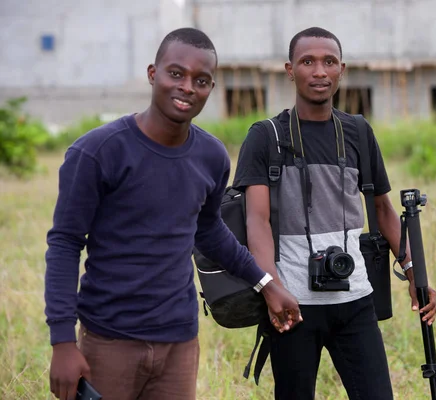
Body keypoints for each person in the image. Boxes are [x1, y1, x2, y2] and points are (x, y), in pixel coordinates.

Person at [44, 27, 302, 400]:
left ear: (211, 89)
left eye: (201, 80)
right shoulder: (98, 152)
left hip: (179, 340)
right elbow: (65, 244)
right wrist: (62, 341)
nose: (187, 87)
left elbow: (209, 231)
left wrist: (267, 284)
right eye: (175, 74)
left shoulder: (211, 157)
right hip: (110, 339)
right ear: (153, 74)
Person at [232, 27, 436, 399]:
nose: (319, 71)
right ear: (289, 70)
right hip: (291, 306)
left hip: (355, 300)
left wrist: (414, 273)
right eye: (307, 61)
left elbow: (383, 209)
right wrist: (272, 290)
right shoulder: (266, 137)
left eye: (329, 62)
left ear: (342, 69)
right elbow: (256, 222)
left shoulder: (357, 131)